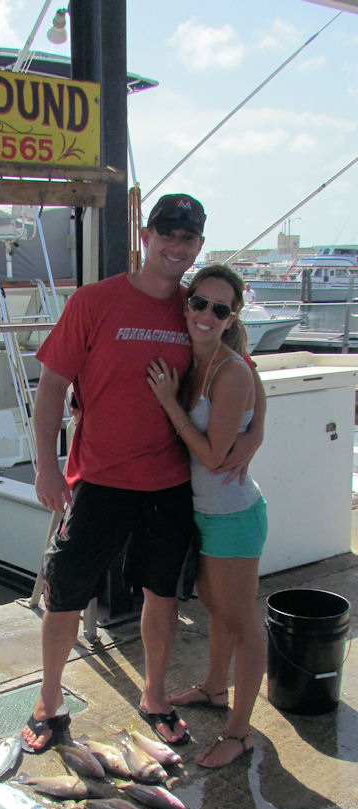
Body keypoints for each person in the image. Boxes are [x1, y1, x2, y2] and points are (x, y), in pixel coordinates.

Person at [21, 194, 265, 754]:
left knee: (162, 596)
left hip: (170, 483)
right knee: (64, 596)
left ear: (198, 245)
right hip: (98, 479)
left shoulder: (197, 307)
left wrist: (255, 435)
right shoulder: (94, 300)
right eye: (167, 234)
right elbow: (53, 386)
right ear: (146, 236)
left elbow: (245, 371)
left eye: (187, 238)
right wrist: (46, 466)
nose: (176, 246)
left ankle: (154, 697)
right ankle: (49, 701)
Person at [147, 264, 267, 768]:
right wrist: (257, 430)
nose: (206, 315)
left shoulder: (229, 369)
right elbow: (259, 396)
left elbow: (215, 456)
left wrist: (169, 404)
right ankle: (216, 689)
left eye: (220, 309)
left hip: (233, 518)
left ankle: (239, 733)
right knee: (217, 608)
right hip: (206, 513)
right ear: (187, 303)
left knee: (242, 622)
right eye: (200, 303)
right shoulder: (197, 358)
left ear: (231, 317)